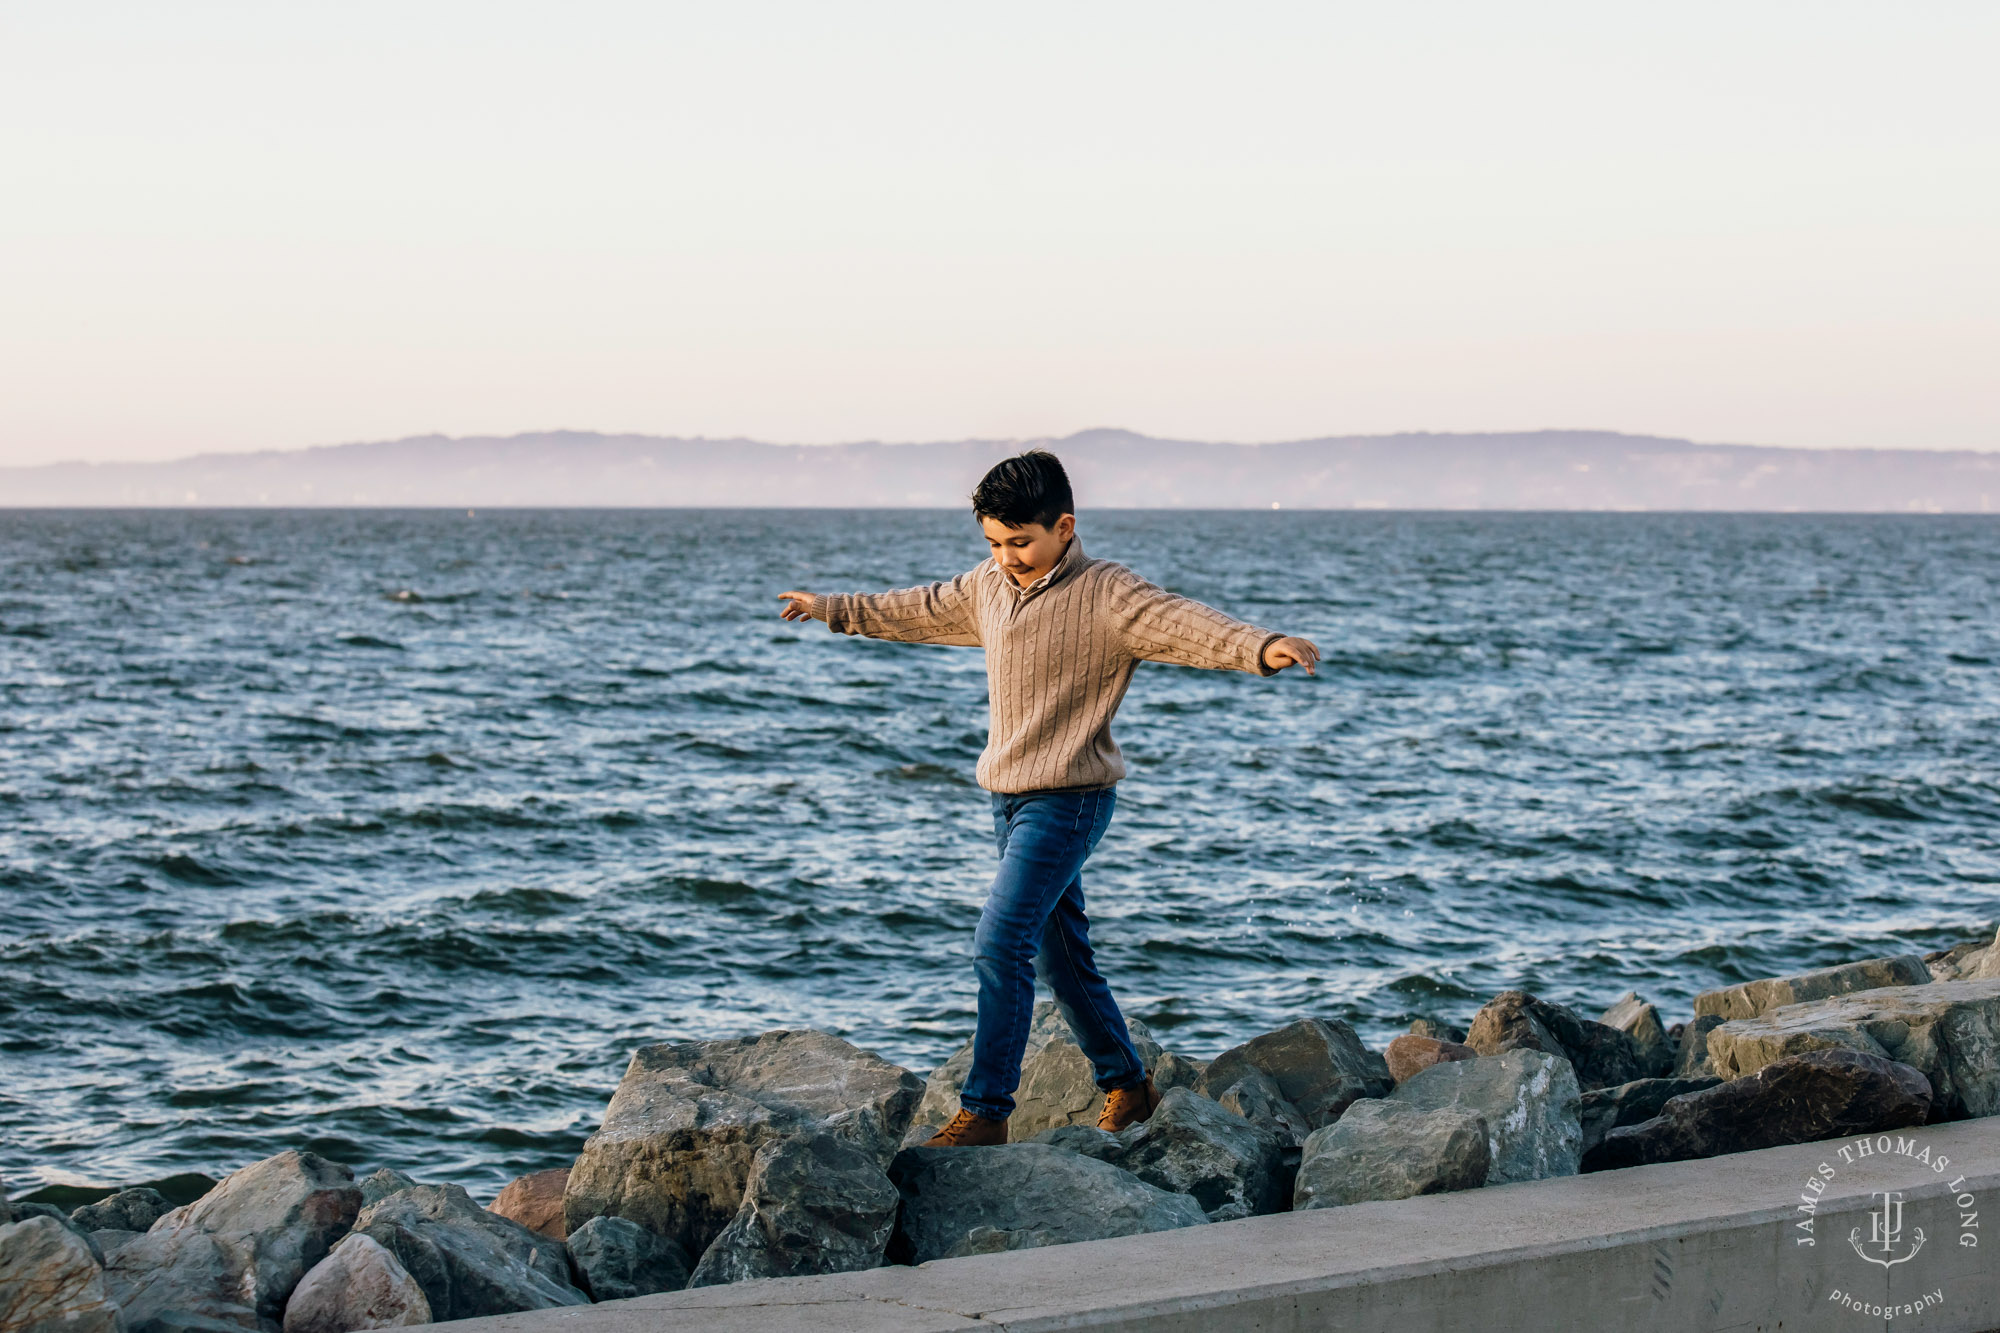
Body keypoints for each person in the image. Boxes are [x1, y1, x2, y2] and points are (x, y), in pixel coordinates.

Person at [778, 450, 1319, 1146]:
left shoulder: (1107, 594)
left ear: (1065, 525)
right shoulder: (988, 587)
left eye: (1021, 541)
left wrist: (1262, 645)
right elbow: (919, 607)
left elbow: (1185, 623)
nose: (1007, 556)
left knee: (999, 942)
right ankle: (1128, 1083)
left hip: (1070, 801)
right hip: (1006, 801)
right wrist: (833, 609)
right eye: (994, 543)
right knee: (1062, 957)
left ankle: (987, 1112)